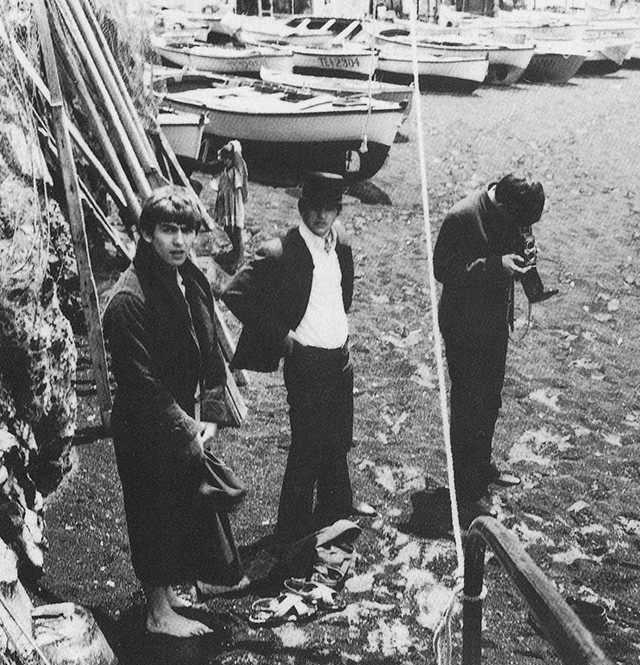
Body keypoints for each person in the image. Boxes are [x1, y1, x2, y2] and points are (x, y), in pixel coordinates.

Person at [103, 185, 244, 637]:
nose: (180, 241)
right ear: (146, 234)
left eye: (187, 231)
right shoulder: (129, 300)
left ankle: (168, 596)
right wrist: (186, 427)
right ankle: (157, 613)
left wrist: (209, 413)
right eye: (168, 230)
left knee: (178, 507)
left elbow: (209, 351)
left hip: (179, 414)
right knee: (151, 511)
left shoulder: (189, 279)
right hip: (145, 422)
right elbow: (143, 384)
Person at [222, 172, 375, 545]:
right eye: (314, 208)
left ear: (338, 210)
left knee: (338, 440)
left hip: (340, 359)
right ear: (302, 208)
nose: (321, 216)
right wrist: (281, 337)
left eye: (329, 209)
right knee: (307, 446)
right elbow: (235, 294)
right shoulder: (282, 251)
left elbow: (344, 295)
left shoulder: (340, 246)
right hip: (306, 362)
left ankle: (336, 509)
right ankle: (292, 527)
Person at [433, 174, 546, 525]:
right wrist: (496, 265)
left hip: (495, 322)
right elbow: (442, 270)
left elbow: (513, 247)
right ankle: (467, 490)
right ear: (502, 205)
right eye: (520, 222)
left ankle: (481, 467)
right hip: (464, 325)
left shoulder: (512, 213)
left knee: (491, 398)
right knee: (469, 404)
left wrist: (526, 259)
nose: (522, 228)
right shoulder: (462, 216)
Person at [214, 139, 248, 273]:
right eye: (224, 159)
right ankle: (234, 254)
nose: (225, 161)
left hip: (234, 206)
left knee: (236, 232)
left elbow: (237, 152)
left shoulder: (237, 170)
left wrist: (232, 147)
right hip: (226, 206)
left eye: (228, 159)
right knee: (228, 229)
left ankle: (238, 259)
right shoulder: (225, 171)